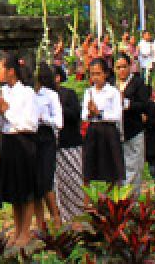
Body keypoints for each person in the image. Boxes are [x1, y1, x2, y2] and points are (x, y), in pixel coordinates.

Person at [0, 53, 38, 248]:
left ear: (11, 71)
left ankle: (26, 230)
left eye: (0, 68)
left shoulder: (27, 93)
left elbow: (30, 123)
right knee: (13, 189)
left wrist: (7, 112)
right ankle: (18, 227)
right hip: (8, 143)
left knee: (26, 188)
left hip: (24, 141)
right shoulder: (1, 93)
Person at [82, 58, 124, 186]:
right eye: (92, 74)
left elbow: (117, 115)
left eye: (98, 73)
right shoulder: (88, 92)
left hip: (108, 131)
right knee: (89, 169)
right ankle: (89, 201)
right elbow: (83, 115)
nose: (95, 77)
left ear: (105, 74)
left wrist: (99, 113)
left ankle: (113, 201)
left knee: (111, 170)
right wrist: (90, 113)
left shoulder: (113, 92)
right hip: (93, 130)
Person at [32, 64, 63, 229]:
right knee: (35, 182)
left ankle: (55, 215)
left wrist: (44, 118)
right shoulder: (29, 95)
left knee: (45, 180)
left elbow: (59, 122)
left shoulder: (51, 95)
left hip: (46, 137)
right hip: (32, 138)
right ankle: (39, 221)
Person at [113, 54, 149, 189]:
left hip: (133, 130)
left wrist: (126, 103)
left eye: (124, 66)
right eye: (118, 67)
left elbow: (144, 104)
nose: (121, 70)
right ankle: (120, 202)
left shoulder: (138, 83)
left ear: (130, 66)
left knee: (134, 166)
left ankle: (131, 201)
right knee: (118, 167)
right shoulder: (112, 84)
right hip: (116, 132)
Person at [54, 75, 84, 223]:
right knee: (60, 185)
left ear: (57, 78)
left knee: (75, 181)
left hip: (71, 145)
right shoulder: (42, 96)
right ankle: (64, 217)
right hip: (55, 147)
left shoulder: (68, 94)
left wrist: (57, 107)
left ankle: (79, 216)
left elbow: (75, 115)